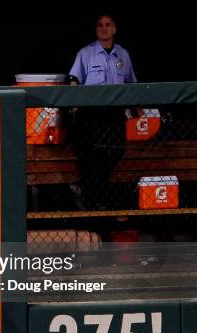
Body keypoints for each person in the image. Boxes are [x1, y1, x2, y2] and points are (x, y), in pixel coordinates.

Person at [68, 15, 138, 210]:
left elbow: (132, 85)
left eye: (108, 25)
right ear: (95, 29)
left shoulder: (123, 55)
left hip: (115, 116)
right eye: (100, 25)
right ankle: (94, 203)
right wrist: (75, 106)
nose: (104, 28)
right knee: (91, 159)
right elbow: (74, 80)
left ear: (114, 29)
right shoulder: (86, 53)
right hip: (91, 116)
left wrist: (137, 111)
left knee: (114, 153)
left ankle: (89, 193)